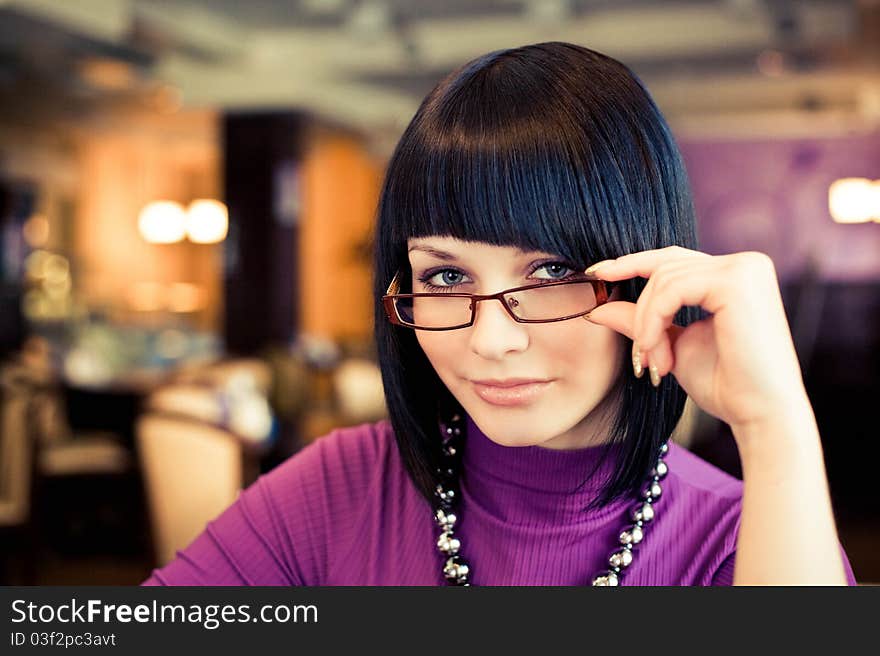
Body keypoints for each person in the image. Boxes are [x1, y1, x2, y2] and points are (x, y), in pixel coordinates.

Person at [143, 42, 857, 586]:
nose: (491, 340)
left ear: (643, 276)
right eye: (446, 275)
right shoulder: (343, 487)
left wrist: (774, 426)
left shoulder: (744, 539)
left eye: (551, 272)